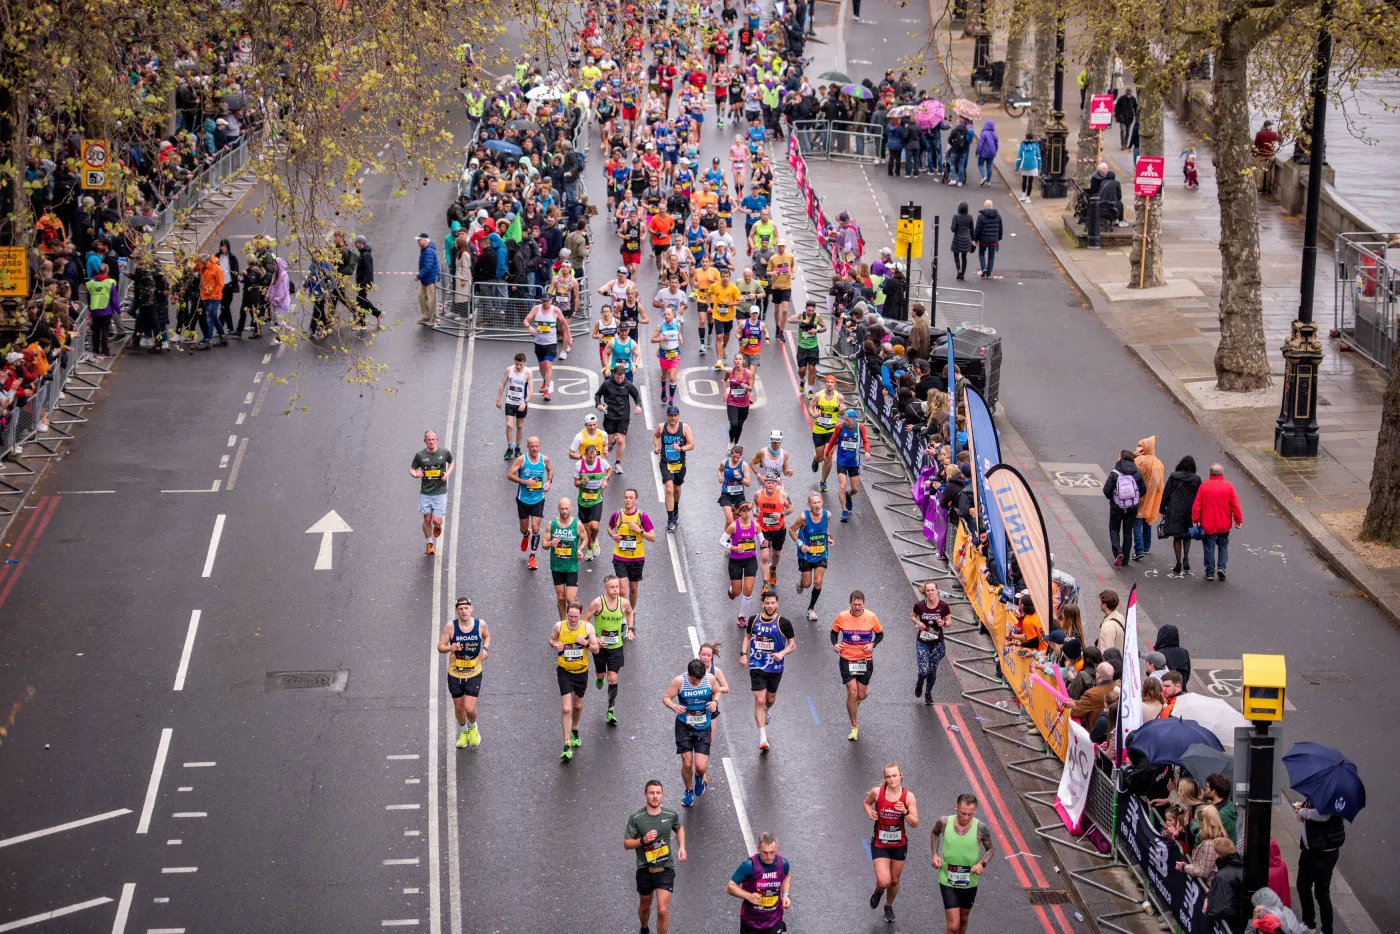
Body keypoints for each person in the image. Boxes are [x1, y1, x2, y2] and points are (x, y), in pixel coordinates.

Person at [625, 780, 686, 934]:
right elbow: (626, 843)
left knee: (662, 910)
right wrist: (642, 840)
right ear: (645, 795)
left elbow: (679, 829)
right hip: (645, 868)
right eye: (651, 793)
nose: (655, 796)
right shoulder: (636, 818)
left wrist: (682, 847)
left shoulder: (670, 814)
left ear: (662, 795)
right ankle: (644, 928)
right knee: (645, 906)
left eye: (658, 793)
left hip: (665, 867)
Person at [742, 590, 797, 753]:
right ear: (762, 604)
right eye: (767, 603)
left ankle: (767, 710)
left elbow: (793, 644)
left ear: (777, 604)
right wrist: (743, 654)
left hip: (775, 667)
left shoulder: (784, 623)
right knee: (759, 700)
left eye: (773, 603)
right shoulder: (753, 620)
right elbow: (747, 637)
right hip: (757, 665)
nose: (770, 606)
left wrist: (782, 653)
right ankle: (762, 737)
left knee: (770, 698)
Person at [931, 793, 995, 934]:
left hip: (969, 882)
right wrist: (935, 853)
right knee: (953, 925)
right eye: (962, 813)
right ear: (956, 808)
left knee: (963, 919)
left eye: (969, 814)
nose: (965, 818)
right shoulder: (944, 822)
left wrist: (982, 863)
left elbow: (990, 849)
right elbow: (935, 833)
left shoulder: (981, 828)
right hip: (947, 880)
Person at [864, 763, 919, 923]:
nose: (891, 779)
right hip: (880, 842)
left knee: (894, 880)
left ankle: (888, 906)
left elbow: (915, 823)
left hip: (899, 844)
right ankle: (879, 889)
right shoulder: (877, 792)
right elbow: (866, 803)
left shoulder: (908, 797)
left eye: (894, 775)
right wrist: (869, 812)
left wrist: (905, 812)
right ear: (885, 778)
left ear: (901, 775)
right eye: (888, 776)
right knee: (884, 880)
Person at [664, 657, 719, 807]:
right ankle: (688, 791)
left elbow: (717, 691)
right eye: (694, 680)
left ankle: (699, 777)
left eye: (699, 680)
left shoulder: (710, 679)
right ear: (688, 673)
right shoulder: (679, 681)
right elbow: (666, 697)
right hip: (684, 726)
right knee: (687, 763)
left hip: (703, 726)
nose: (696, 683)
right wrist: (674, 706)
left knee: (700, 766)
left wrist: (714, 702)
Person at [550, 601, 599, 761]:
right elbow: (551, 640)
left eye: (575, 617)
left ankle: (575, 728)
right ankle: (566, 744)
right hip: (564, 671)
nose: (572, 619)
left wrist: (585, 643)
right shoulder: (559, 626)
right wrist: (555, 645)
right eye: (570, 616)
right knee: (566, 708)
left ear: (580, 615)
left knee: (577, 706)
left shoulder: (587, 628)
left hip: (581, 673)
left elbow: (596, 649)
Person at [438, 597, 489, 748]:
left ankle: (473, 726)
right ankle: (463, 731)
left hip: (474, 673)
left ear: (471, 608)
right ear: (456, 611)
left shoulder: (480, 625)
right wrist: (450, 648)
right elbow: (440, 646)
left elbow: (487, 636)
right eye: (460, 609)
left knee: (470, 709)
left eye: (466, 608)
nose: (464, 611)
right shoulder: (450, 627)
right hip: (455, 674)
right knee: (459, 708)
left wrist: (485, 649)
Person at [585, 574, 636, 726]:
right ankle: (599, 678)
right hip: (600, 647)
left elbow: (630, 612)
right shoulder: (597, 603)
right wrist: (593, 637)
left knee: (613, 678)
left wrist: (630, 629)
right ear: (605, 589)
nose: (616, 590)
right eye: (612, 587)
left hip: (616, 646)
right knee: (601, 674)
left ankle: (611, 709)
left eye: (617, 587)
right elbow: (585, 620)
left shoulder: (624, 603)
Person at [832, 590, 883, 741]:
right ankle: (854, 726)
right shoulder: (842, 617)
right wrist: (835, 644)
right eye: (854, 604)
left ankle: (856, 702)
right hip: (847, 658)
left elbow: (880, 634)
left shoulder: (871, 617)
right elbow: (833, 633)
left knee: (861, 694)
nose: (857, 607)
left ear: (864, 603)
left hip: (864, 660)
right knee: (852, 692)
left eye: (860, 604)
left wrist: (872, 644)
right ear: (850, 603)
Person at [1295, 795, 1345, 934]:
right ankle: (1308, 923)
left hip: (1323, 854)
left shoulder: (1332, 794)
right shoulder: (1317, 791)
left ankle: (1326, 930)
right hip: (1310, 850)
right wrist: (1303, 806)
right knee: (1302, 886)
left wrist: (1302, 811)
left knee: (1321, 893)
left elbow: (1322, 815)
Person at [726, 831, 792, 933]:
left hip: (774, 921)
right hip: (752, 923)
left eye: (772, 852)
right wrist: (748, 896)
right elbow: (730, 887)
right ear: (758, 848)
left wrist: (785, 895)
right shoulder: (748, 866)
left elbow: (787, 876)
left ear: (777, 848)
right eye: (765, 852)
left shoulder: (783, 864)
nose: (769, 857)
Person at [1191, 463, 1243, 582]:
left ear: (1210, 474)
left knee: (1209, 547)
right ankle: (1221, 568)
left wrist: (1195, 520)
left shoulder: (1204, 486)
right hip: (1224, 524)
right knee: (1223, 545)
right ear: (1222, 474)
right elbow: (1235, 505)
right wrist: (1238, 520)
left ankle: (1209, 572)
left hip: (1208, 524)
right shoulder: (1228, 487)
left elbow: (1197, 506)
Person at [507, 436, 553, 571]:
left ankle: (532, 556)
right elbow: (509, 474)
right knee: (524, 528)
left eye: (536, 446)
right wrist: (524, 482)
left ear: (540, 446)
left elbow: (550, 469)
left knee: (536, 528)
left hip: (538, 499)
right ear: (527, 447)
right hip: (523, 500)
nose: (534, 448)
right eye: (532, 446)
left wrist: (549, 482)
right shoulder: (522, 460)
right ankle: (526, 534)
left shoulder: (544, 459)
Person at [609, 488, 658, 609]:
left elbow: (653, 538)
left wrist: (639, 530)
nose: (628, 500)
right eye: (626, 497)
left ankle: (631, 610)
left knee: (634, 589)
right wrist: (613, 535)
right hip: (620, 556)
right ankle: (624, 614)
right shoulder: (617, 514)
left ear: (636, 500)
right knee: (622, 590)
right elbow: (609, 528)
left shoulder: (642, 516)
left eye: (631, 498)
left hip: (636, 557)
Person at [541, 497, 588, 619]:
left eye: (566, 508)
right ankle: (562, 623)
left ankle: (574, 621)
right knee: (561, 598)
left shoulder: (577, 525)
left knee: (571, 599)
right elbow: (544, 544)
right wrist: (550, 543)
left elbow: (585, 539)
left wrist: (580, 549)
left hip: (571, 566)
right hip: (557, 565)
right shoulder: (552, 524)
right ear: (558, 509)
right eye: (561, 509)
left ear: (571, 508)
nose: (564, 511)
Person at [410, 429, 454, 555]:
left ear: (437, 440)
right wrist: (415, 474)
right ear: (425, 441)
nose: (431, 442)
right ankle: (429, 543)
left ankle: (438, 526)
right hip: (426, 492)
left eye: (433, 439)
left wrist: (448, 474)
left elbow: (451, 462)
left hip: (440, 492)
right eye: (428, 439)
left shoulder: (444, 453)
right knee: (427, 518)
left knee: (437, 520)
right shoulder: (420, 455)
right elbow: (412, 468)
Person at [594, 364, 644, 473]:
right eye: (618, 377)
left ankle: (617, 464)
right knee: (611, 440)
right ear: (614, 374)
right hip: (610, 415)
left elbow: (636, 396)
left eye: (622, 377)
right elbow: (597, 395)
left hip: (623, 416)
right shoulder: (607, 384)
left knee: (621, 440)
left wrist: (638, 405)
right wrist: (598, 404)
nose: (620, 379)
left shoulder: (628, 384)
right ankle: (611, 442)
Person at [792, 491, 832, 622]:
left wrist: (829, 538)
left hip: (821, 553)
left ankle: (811, 609)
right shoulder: (803, 517)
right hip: (806, 555)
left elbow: (826, 528)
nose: (817, 505)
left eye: (819, 502)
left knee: (818, 581)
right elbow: (791, 530)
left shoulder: (827, 515)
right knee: (808, 584)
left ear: (822, 503)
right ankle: (802, 582)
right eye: (814, 503)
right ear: (809, 504)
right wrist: (800, 544)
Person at [654, 405, 695, 531]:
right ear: (667, 416)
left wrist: (681, 448)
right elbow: (656, 436)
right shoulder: (662, 427)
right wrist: (657, 447)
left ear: (678, 416)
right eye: (670, 415)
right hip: (666, 462)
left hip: (680, 463)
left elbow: (691, 444)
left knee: (677, 488)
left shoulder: (685, 428)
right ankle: (670, 519)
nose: (672, 418)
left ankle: (675, 506)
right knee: (669, 489)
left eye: (675, 415)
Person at [1161, 455, 1203, 577]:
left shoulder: (1173, 477)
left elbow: (1166, 494)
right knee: (1187, 535)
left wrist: (1163, 509)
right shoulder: (1196, 479)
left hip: (1175, 510)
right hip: (1189, 510)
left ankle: (1178, 562)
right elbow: (1199, 496)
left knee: (1177, 537)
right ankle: (1186, 558)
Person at [1104, 448, 1146, 566]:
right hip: (1132, 507)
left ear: (1121, 458)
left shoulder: (1115, 473)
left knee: (1114, 529)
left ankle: (1118, 552)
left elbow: (1106, 490)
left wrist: (1113, 498)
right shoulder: (1137, 472)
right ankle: (1126, 559)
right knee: (1128, 532)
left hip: (1117, 506)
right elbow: (1143, 489)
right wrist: (1134, 499)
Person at [825, 409, 869, 522]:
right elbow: (832, 440)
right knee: (842, 485)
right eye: (844, 419)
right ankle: (844, 511)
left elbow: (865, 441)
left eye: (847, 420)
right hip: (842, 462)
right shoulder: (840, 427)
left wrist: (867, 451)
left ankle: (848, 496)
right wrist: (827, 453)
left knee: (855, 489)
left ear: (853, 419)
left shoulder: (860, 427)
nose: (845, 421)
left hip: (854, 462)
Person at [911, 580, 950, 706]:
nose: (930, 592)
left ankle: (928, 693)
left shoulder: (943, 606)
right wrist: (918, 623)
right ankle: (920, 681)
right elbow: (912, 616)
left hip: (937, 643)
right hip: (923, 641)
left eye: (932, 590)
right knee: (924, 671)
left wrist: (943, 623)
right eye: (928, 590)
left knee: (932, 670)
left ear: (937, 591)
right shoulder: (920, 605)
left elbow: (949, 621)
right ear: (925, 592)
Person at [574, 441, 612, 560]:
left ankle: (594, 540)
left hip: (596, 499)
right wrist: (582, 482)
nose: (592, 460)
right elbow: (576, 483)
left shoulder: (601, 462)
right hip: (583, 500)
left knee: (594, 526)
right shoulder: (579, 465)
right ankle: (590, 549)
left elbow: (609, 469)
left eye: (594, 457)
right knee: (586, 529)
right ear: (584, 455)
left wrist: (605, 479)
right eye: (590, 457)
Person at [1203, 839, 1248, 934]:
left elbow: (1220, 908)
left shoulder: (1222, 876)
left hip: (1232, 925)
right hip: (1243, 922)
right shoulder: (1242, 866)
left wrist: (1210, 899)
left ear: (1218, 854)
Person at [523, 293, 563, 401]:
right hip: (539, 343)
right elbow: (526, 320)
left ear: (551, 300)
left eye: (547, 301)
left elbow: (564, 324)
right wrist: (529, 327)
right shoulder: (536, 309)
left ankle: (547, 390)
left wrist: (568, 338)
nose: (545, 303)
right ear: (541, 300)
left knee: (548, 365)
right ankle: (545, 380)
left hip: (551, 343)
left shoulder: (555, 311)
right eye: (543, 301)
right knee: (542, 366)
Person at [495, 352, 533, 460]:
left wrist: (525, 403)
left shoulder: (528, 373)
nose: (518, 366)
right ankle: (509, 447)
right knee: (509, 425)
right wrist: (498, 399)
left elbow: (531, 391)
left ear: (524, 363)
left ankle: (517, 447)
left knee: (520, 426)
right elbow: (503, 384)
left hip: (521, 403)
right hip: (510, 401)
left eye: (520, 364)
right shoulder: (509, 370)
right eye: (516, 364)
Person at [808, 375, 844, 490]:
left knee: (827, 457)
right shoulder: (818, 395)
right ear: (825, 384)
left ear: (835, 384)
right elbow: (811, 407)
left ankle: (823, 481)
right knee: (820, 457)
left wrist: (842, 411)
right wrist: (814, 414)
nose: (829, 384)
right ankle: (815, 459)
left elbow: (842, 411)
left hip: (832, 431)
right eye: (827, 382)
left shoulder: (839, 397)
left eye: (832, 382)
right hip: (818, 429)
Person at [1178, 804, 1229, 885]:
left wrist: (1184, 867)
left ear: (1202, 822)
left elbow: (1204, 872)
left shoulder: (1209, 844)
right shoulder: (1222, 835)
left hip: (1210, 887)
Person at [1132, 436, 1164, 561]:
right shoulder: (1158, 463)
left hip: (1139, 497)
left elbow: (1124, 466)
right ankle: (1146, 546)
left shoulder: (1139, 460)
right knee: (1147, 521)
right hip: (1151, 499)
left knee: (1136, 523)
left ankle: (1139, 549)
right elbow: (1160, 485)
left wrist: (1134, 455)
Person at [652, 306, 684, 404]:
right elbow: (652, 339)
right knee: (664, 375)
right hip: (664, 354)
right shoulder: (660, 326)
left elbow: (679, 334)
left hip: (675, 353)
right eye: (665, 314)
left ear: (673, 315)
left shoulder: (677, 325)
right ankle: (663, 390)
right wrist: (662, 339)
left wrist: (680, 339)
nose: (666, 316)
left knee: (673, 377)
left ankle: (671, 399)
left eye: (668, 314)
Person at [794, 300, 827, 394]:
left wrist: (817, 331)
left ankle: (810, 389)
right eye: (809, 310)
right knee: (802, 370)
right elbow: (790, 320)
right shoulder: (801, 315)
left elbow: (825, 328)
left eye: (812, 310)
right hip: (802, 347)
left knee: (812, 368)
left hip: (813, 347)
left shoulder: (817, 317)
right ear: (805, 308)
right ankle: (802, 380)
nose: (811, 312)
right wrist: (801, 320)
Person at [972, 200, 1002, 279]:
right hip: (993, 240)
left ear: (984, 207)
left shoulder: (981, 216)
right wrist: (998, 238)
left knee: (981, 254)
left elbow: (978, 229)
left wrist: (976, 239)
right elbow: (1000, 228)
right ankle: (988, 273)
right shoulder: (998, 216)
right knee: (991, 256)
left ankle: (983, 267)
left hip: (983, 240)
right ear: (992, 207)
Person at [416, 232, 440, 324]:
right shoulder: (425, 249)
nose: (418, 242)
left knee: (432, 300)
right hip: (426, 279)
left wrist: (419, 276)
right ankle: (426, 316)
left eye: (419, 240)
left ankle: (434, 319)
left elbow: (428, 267)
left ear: (425, 240)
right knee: (421, 296)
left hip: (430, 278)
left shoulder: (428, 251)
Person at [949, 202, 973, 281]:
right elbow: (972, 230)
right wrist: (973, 240)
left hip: (957, 239)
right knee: (964, 256)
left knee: (956, 255)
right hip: (966, 239)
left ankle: (958, 269)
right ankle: (963, 273)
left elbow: (953, 229)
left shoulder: (956, 217)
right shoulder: (970, 217)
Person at [975, 120, 998, 186]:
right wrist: (995, 151)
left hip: (984, 152)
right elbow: (996, 144)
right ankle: (988, 182)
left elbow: (980, 144)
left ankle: (983, 176)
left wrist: (977, 152)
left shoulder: (984, 133)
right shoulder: (994, 134)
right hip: (992, 153)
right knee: (989, 166)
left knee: (980, 164)